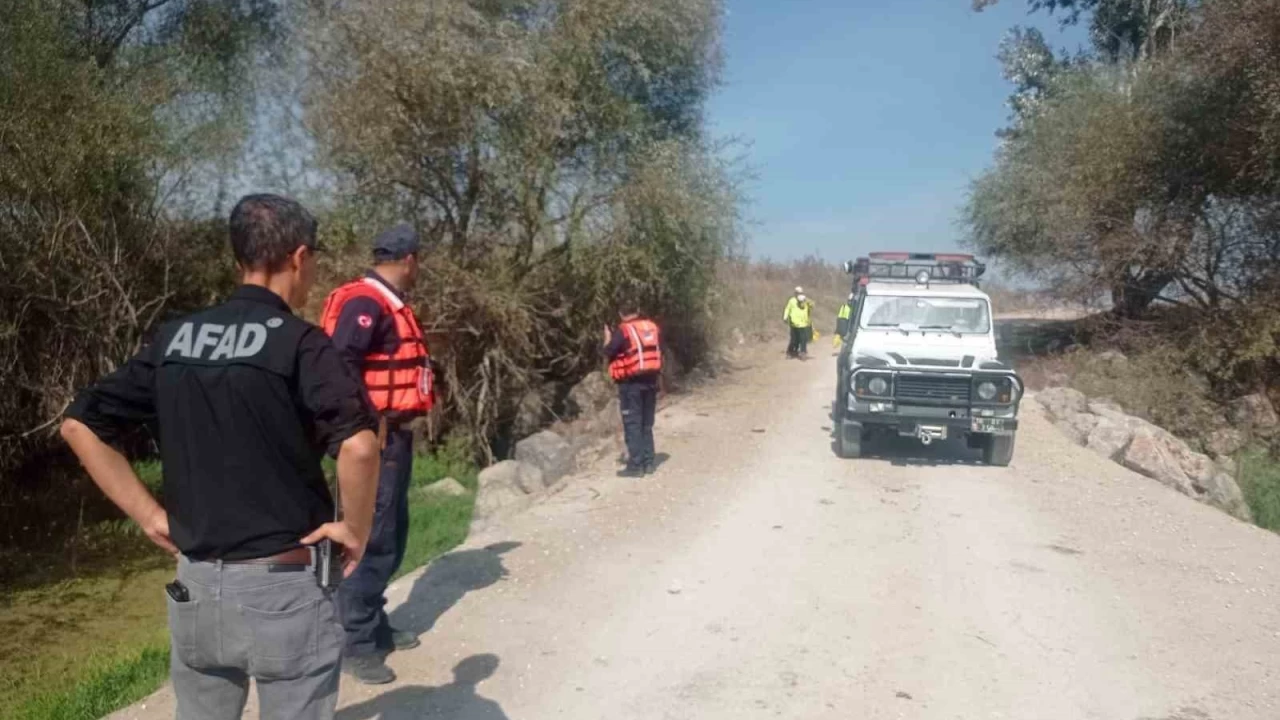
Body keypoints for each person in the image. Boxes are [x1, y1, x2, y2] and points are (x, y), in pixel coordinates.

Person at [59, 194, 381, 720]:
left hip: (196, 587)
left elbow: (79, 424)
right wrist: (355, 530)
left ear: (239, 260)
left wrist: (148, 515)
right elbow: (361, 446)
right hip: (285, 587)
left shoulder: (175, 338)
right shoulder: (302, 343)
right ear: (300, 258)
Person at [319, 222, 435, 685]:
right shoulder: (367, 301)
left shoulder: (382, 299)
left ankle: (374, 623)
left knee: (390, 533)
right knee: (369, 538)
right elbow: (339, 364)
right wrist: (373, 423)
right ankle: (357, 643)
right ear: (409, 259)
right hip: (376, 442)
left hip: (391, 437)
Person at [602, 304, 662, 477]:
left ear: (621, 314)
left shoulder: (624, 330)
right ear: (637, 310)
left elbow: (608, 351)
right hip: (651, 381)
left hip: (631, 385)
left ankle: (636, 466)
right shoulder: (651, 327)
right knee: (646, 424)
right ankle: (649, 462)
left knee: (633, 423)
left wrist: (607, 337)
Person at [784, 292, 814, 359]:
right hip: (794, 324)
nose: (801, 303)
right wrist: (785, 317)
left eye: (802, 301)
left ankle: (803, 352)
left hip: (803, 324)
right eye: (800, 302)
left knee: (803, 339)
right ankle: (790, 352)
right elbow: (788, 309)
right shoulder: (792, 301)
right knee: (794, 340)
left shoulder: (806, 303)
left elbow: (812, 305)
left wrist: (808, 300)